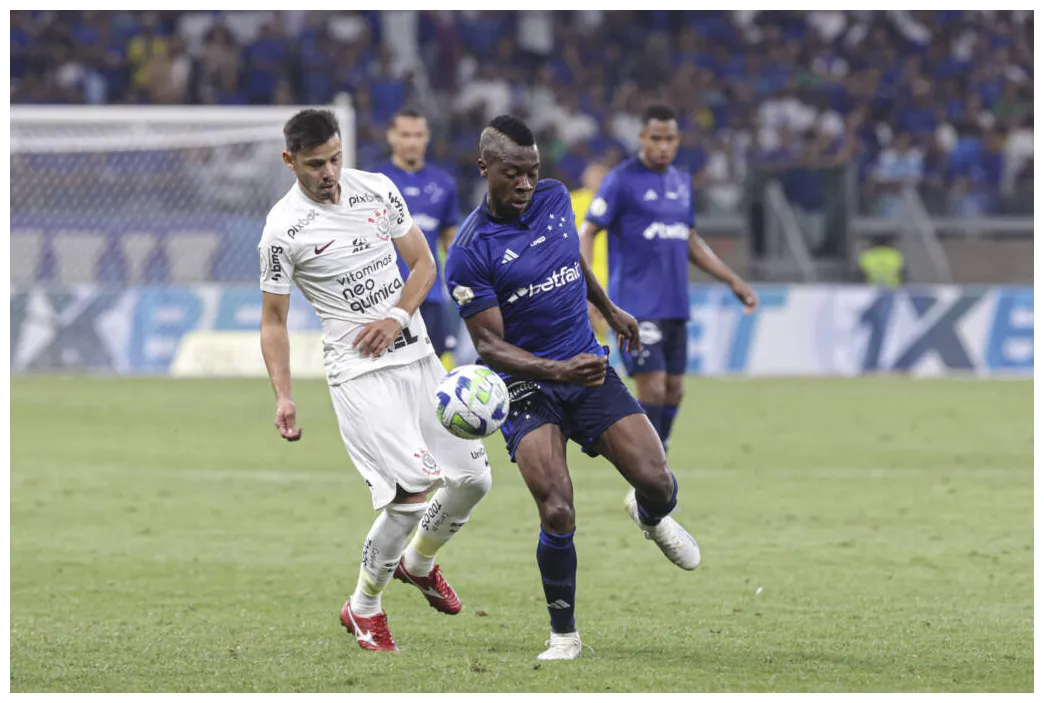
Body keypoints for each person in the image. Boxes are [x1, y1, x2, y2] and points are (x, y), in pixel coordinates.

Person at [445, 115, 702, 662]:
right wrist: (557, 372)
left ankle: (650, 516)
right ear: (485, 167)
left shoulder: (557, 198)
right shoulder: (470, 250)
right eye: (513, 174)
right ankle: (564, 634)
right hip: (527, 387)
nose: (525, 184)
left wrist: (609, 307)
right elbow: (490, 347)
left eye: (532, 172)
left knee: (658, 479)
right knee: (557, 509)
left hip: (586, 367)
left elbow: (570, 258)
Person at [258, 109, 492, 653]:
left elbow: (424, 264)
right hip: (360, 375)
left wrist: (397, 317)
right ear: (290, 161)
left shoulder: (377, 190)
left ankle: (418, 562)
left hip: (417, 357)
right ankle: (364, 608)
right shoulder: (281, 231)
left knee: (474, 481)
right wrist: (285, 395)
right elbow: (273, 321)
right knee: (412, 495)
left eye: (336, 159)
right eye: (316, 164)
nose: (330, 172)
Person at [578, 104, 759, 453]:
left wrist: (732, 280)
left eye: (670, 139)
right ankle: (649, 468)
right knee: (654, 387)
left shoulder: (680, 181)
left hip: (675, 304)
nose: (663, 146)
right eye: (656, 138)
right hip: (635, 305)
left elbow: (689, 239)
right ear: (642, 138)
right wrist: (590, 296)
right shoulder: (621, 180)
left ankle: (656, 456)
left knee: (675, 390)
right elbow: (588, 232)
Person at [377, 108, 461, 366]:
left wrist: (464, 276)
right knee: (388, 373)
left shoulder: (444, 184)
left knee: (432, 371)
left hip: (429, 295)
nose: (412, 141)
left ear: (427, 138)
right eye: (405, 134)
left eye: (418, 135)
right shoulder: (375, 181)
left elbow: (450, 238)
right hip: (385, 298)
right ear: (392, 137)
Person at [569, 162, 610, 340]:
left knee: (600, 325)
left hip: (607, 274)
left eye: (602, 176)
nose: (597, 179)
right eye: (594, 174)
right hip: (576, 272)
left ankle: (599, 360)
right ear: (584, 177)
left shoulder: (615, 204)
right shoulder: (570, 201)